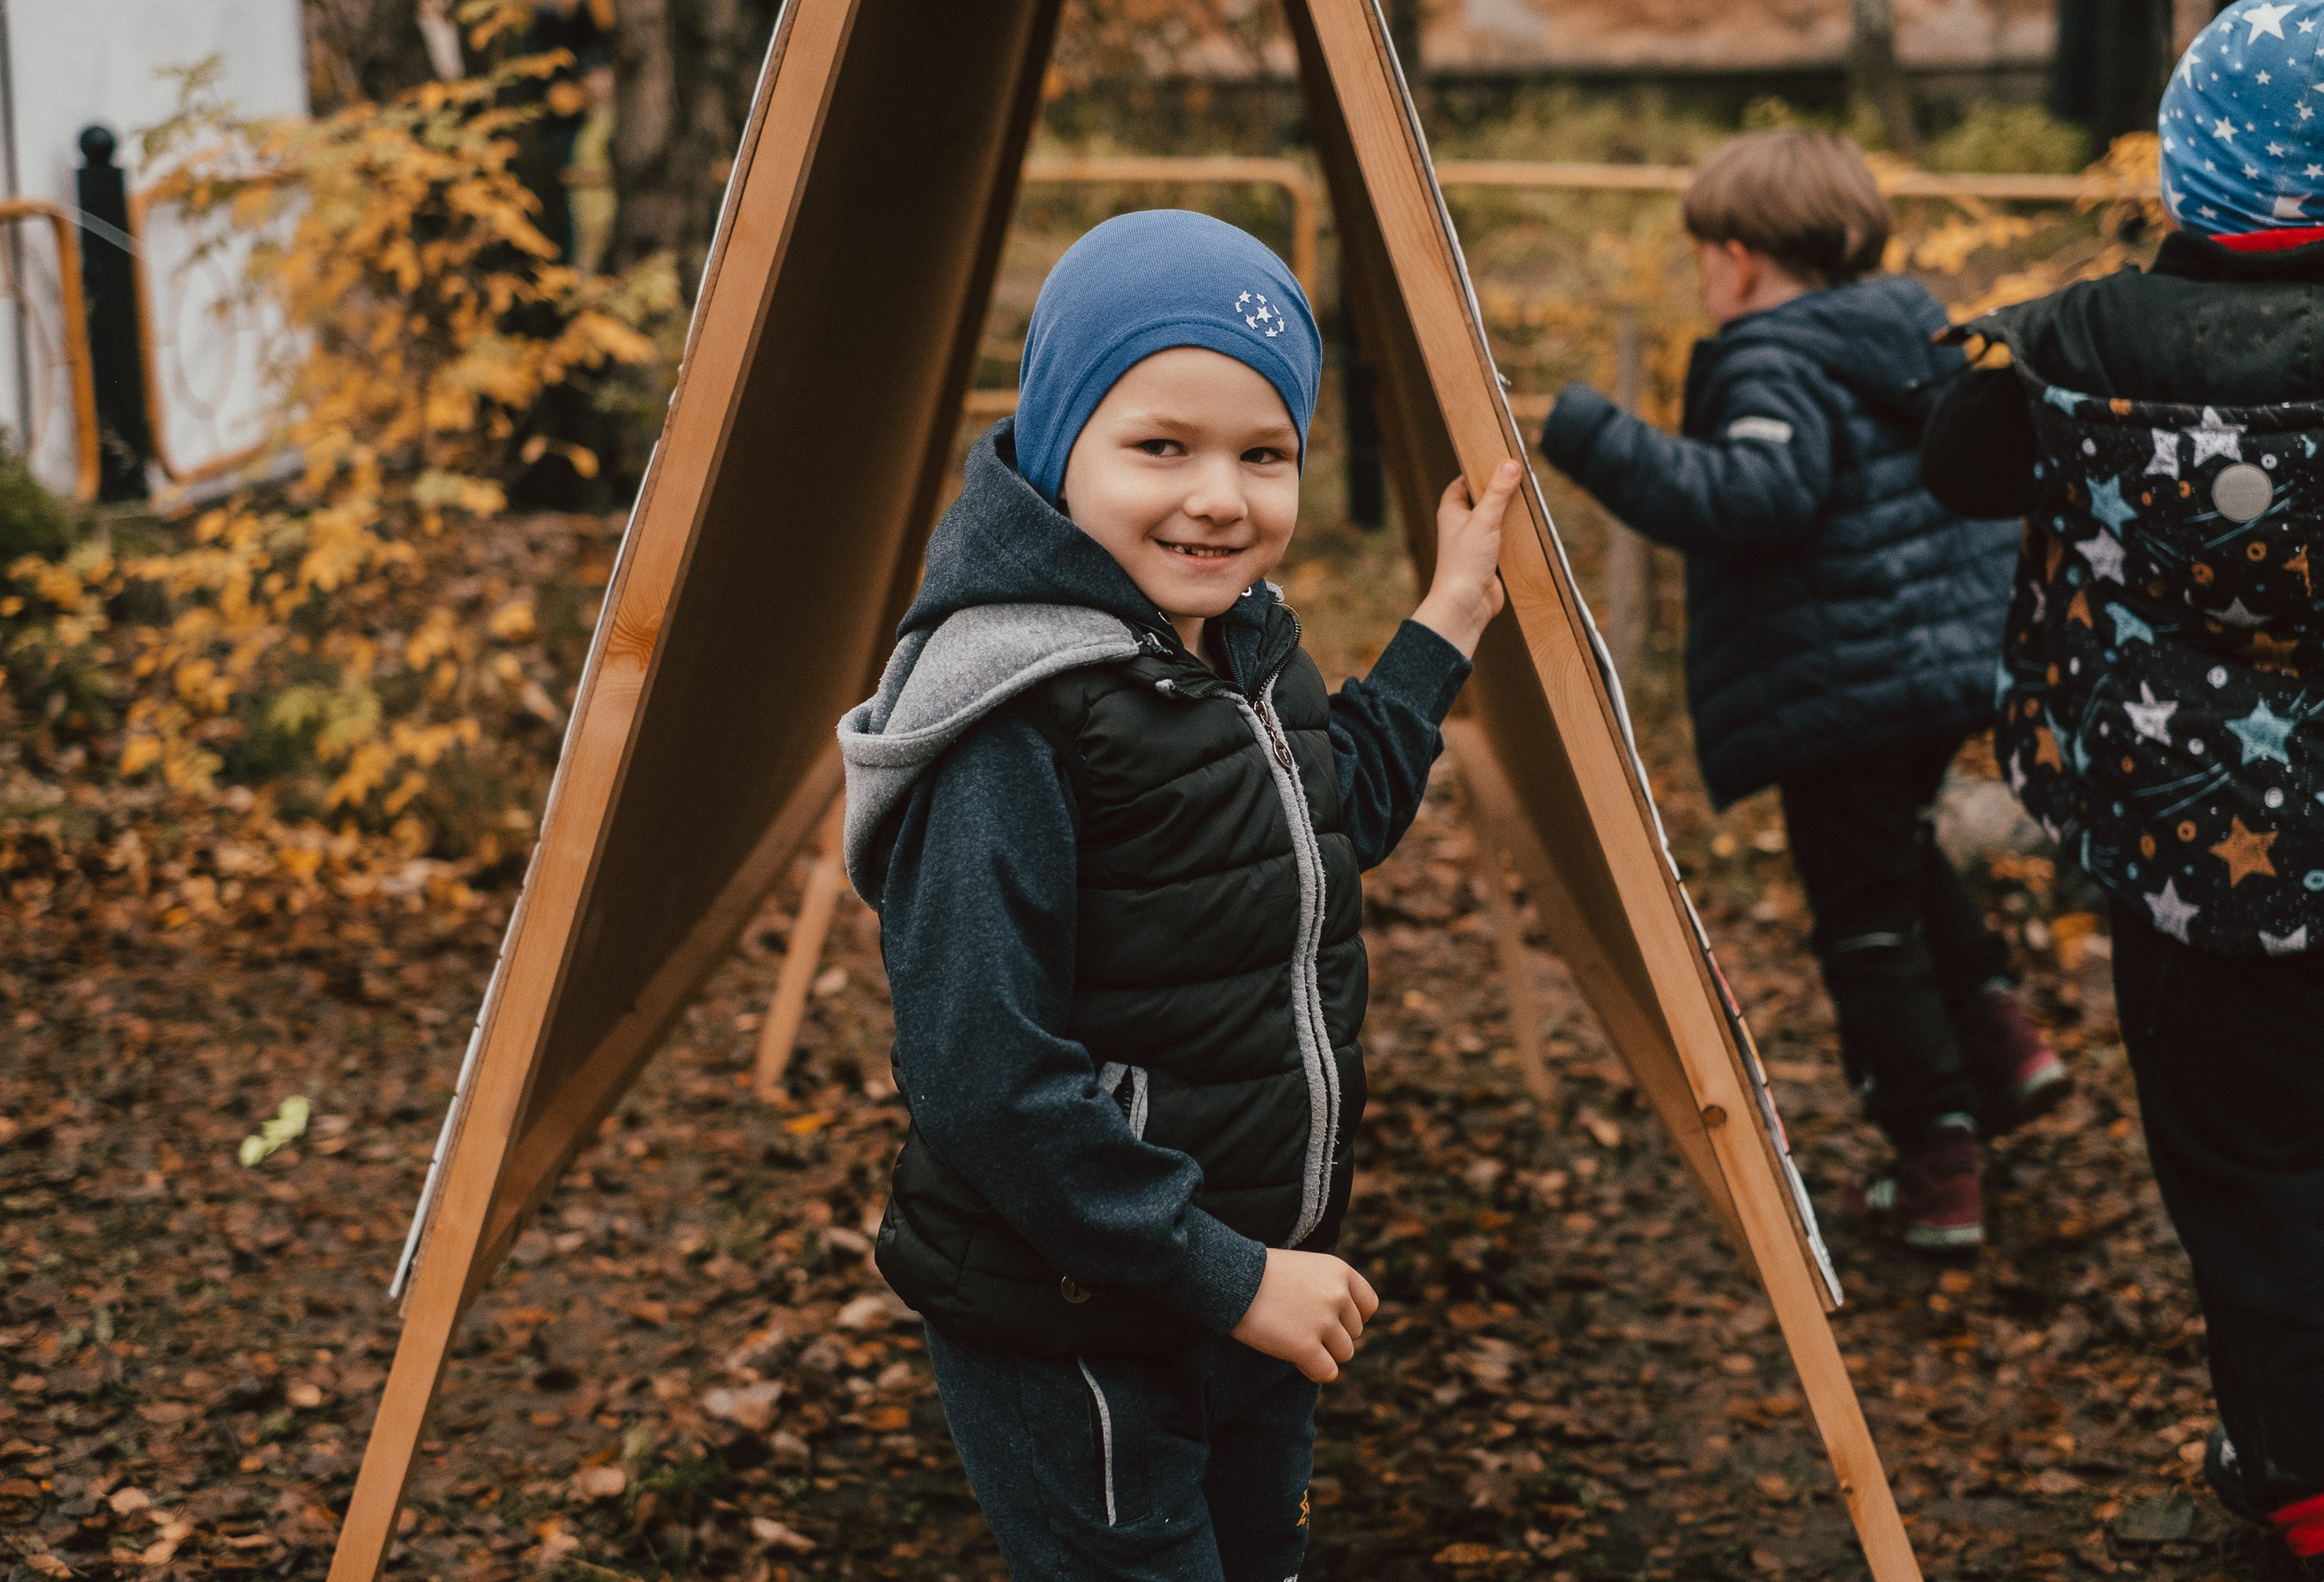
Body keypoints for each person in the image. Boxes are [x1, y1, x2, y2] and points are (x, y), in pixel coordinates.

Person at [836, 209, 1511, 1581]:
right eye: (1162, 446)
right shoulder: (1014, 715)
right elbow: (987, 1077)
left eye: (1264, 456)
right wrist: (1232, 1271)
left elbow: (1331, 819)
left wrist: (1445, 623)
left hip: (1243, 1273)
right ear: (1058, 440)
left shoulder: (1233, 644)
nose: (1219, 496)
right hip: (1079, 1308)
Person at [1920, 2, 2324, 1568]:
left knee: (2244, 1163)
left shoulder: (2065, 345)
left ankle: (2295, 1470)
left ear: (2188, 164)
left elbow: (1953, 461)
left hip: (2193, 862)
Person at [1536, 129, 2067, 1254]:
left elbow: (1753, 498)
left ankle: (1937, 1163)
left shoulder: (1768, 353)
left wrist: (1587, 432)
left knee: (1861, 919)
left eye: (1700, 264)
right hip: (1931, 672)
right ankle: (2005, 1038)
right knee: (1897, 853)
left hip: (1848, 688)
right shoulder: (1896, 336)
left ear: (1734, 260)